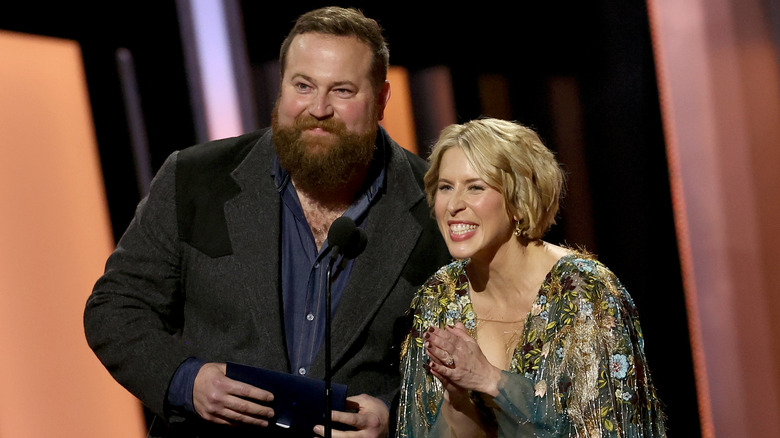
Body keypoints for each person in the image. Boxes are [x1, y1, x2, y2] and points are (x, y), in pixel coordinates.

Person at [84, 6, 450, 438]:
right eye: (303, 85)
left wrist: (400, 417)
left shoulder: (438, 207)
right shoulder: (196, 178)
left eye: (343, 91)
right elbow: (116, 307)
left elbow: (480, 362)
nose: (318, 108)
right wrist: (187, 380)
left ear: (382, 99)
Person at [396, 118, 666, 437]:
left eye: (475, 187)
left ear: (518, 201)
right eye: (445, 187)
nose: (453, 205)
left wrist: (489, 380)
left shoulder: (583, 293)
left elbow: (603, 428)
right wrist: (458, 402)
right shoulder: (439, 298)